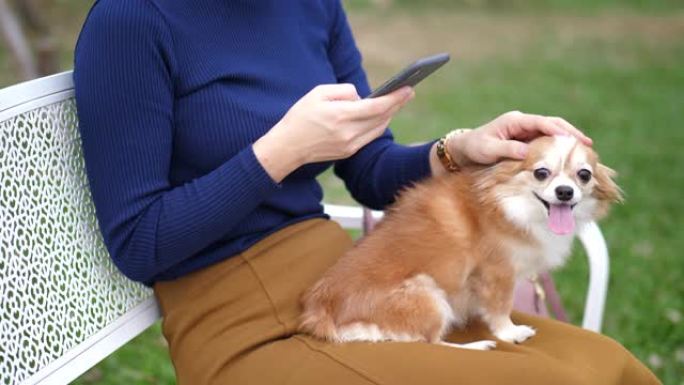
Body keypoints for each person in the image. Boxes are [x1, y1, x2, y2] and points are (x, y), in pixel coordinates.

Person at [73, 1, 660, 384]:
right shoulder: (132, 22)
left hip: (358, 282)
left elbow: (369, 163)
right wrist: (282, 152)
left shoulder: (309, 6)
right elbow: (139, 241)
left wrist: (460, 150)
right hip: (243, 325)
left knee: (607, 367)